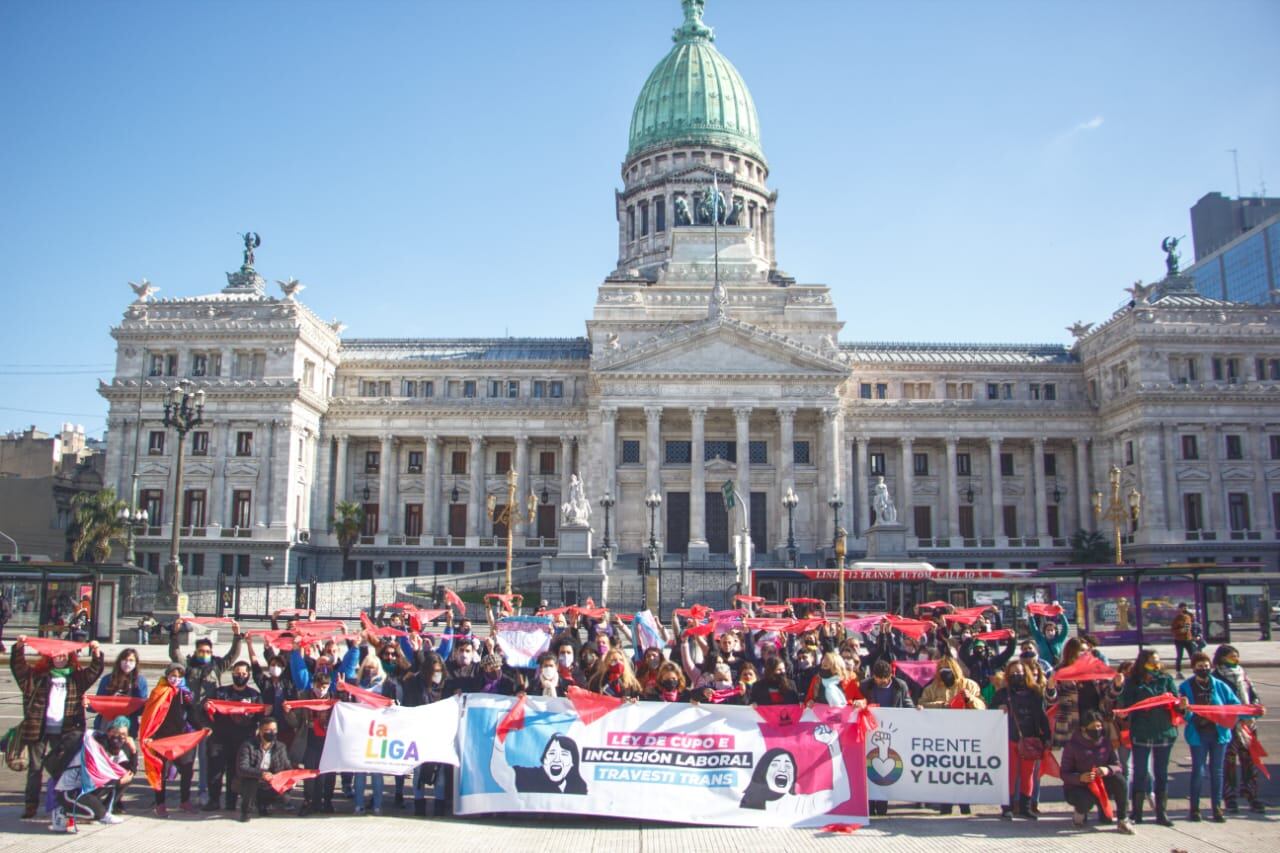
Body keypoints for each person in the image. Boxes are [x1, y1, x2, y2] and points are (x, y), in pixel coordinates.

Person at [10, 636, 105, 819]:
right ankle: (31, 805)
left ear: (69, 658)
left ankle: (62, 803)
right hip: (39, 728)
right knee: (35, 768)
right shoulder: (37, 677)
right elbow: (18, 668)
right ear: (50, 657)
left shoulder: (76, 678)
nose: (60, 658)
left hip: (66, 730)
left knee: (62, 769)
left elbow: (94, 671)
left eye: (63, 656)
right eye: (56, 655)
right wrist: (19, 647)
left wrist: (96, 652)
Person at [170, 616, 243, 805]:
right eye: (201, 651)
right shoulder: (188, 666)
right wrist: (175, 634)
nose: (204, 654)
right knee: (186, 760)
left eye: (207, 651)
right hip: (189, 719)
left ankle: (203, 791)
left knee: (205, 760)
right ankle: (184, 794)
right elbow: (175, 654)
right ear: (195, 651)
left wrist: (237, 637)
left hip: (208, 721)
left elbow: (232, 657)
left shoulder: (216, 666)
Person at [1117, 648, 1184, 826]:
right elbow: (1126, 704)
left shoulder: (1166, 679)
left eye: (1157, 661)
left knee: (1161, 773)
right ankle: (1137, 813)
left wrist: (1181, 705)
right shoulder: (1133, 682)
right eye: (1151, 661)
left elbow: (1176, 704)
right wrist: (1124, 713)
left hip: (1164, 731)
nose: (1155, 664)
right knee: (1140, 772)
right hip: (1142, 732)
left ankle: (1161, 813)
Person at [1179, 651, 1240, 822]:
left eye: (1206, 667)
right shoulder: (1186, 687)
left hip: (1218, 733)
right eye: (1200, 667)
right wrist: (1184, 708)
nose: (1204, 669)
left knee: (1217, 771)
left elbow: (1234, 704)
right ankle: (1195, 809)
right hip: (1198, 733)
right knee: (1198, 770)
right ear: (1193, 668)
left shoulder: (1219, 685)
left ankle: (1217, 808)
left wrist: (1245, 714)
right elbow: (1182, 713)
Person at [49, 717, 137, 830]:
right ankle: (62, 811)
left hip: (88, 789)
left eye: (123, 734)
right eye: (115, 732)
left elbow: (129, 773)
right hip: (71, 790)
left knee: (124, 780)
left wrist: (134, 752)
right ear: (108, 732)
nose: (118, 737)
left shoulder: (117, 749)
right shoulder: (95, 747)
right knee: (93, 814)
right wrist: (118, 781)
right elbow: (97, 778)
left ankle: (104, 812)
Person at [992, 659, 1050, 820]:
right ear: (1008, 675)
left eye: (1020, 672)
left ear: (1026, 674)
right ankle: (1007, 807)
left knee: (1028, 775)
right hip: (1009, 739)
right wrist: (998, 708)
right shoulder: (1003, 694)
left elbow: (1043, 717)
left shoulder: (1035, 693)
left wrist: (1046, 737)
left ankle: (1025, 808)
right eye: (1013, 673)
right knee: (1010, 775)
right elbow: (990, 711)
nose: (1017, 675)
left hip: (1030, 739)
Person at [1212, 644, 1267, 814]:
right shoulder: (1217, 677)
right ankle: (1230, 798)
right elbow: (1217, 701)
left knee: (1250, 760)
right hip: (1229, 725)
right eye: (1231, 656)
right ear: (1222, 658)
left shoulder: (1243, 674)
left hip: (1248, 725)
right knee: (1228, 762)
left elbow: (1253, 694)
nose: (1236, 659)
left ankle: (1252, 795)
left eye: (1237, 656)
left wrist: (1256, 708)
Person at [139, 662, 199, 816]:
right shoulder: (158, 692)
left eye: (179, 676)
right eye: (173, 675)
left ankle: (185, 801)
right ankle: (160, 803)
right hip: (162, 739)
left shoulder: (184, 693)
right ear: (167, 675)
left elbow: (192, 715)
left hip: (181, 738)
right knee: (161, 771)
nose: (176, 679)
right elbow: (150, 716)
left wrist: (202, 727)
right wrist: (149, 736)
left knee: (187, 769)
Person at [1060, 711, 1133, 833]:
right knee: (1085, 801)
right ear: (1084, 729)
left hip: (1101, 784)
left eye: (1099, 726)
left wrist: (1107, 769)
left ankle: (1123, 819)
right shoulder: (1072, 745)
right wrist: (1080, 778)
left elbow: (1117, 765)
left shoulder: (1105, 742)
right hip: (1079, 786)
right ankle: (1079, 814)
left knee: (1120, 781)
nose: (1097, 730)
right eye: (1093, 727)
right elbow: (1064, 773)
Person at [204, 660, 263, 812]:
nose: (240, 676)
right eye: (237, 673)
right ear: (232, 673)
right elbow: (208, 712)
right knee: (215, 772)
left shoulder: (254, 695)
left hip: (242, 741)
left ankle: (231, 802)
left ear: (248, 675)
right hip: (220, 739)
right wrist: (207, 708)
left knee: (235, 773)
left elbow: (259, 718)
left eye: (243, 674)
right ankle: (214, 800)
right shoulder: (221, 693)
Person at [861, 659, 913, 817]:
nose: (882, 682)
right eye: (878, 679)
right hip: (869, 731)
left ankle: (883, 807)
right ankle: (869, 806)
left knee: (885, 769)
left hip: (892, 732)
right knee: (869, 766)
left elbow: (907, 703)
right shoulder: (865, 685)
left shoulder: (900, 685)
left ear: (890, 675)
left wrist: (915, 709)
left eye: (885, 679)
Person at [235, 716, 293, 822]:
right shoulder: (248, 746)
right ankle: (246, 811)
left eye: (274, 730)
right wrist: (261, 774)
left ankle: (265, 805)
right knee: (250, 782)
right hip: (253, 780)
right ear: (260, 731)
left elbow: (287, 766)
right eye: (268, 730)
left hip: (270, 782)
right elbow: (242, 768)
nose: (272, 733)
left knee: (285, 796)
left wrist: (292, 777)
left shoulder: (280, 747)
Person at [93, 647, 148, 736]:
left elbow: (141, 707)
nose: (127, 663)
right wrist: (89, 704)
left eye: (131, 660)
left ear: (136, 663)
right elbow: (98, 701)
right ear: (119, 661)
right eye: (125, 660)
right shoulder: (107, 679)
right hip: (106, 723)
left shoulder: (140, 681)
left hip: (128, 724)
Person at [1171, 604, 1196, 677]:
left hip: (1188, 639)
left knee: (1192, 655)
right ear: (1179, 609)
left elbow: (1189, 627)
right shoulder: (1177, 618)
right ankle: (1178, 671)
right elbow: (1173, 630)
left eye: (1185, 608)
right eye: (1182, 608)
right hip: (1179, 639)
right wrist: (1180, 630)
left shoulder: (1189, 616)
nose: (1184, 610)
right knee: (1179, 656)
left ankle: (1195, 669)